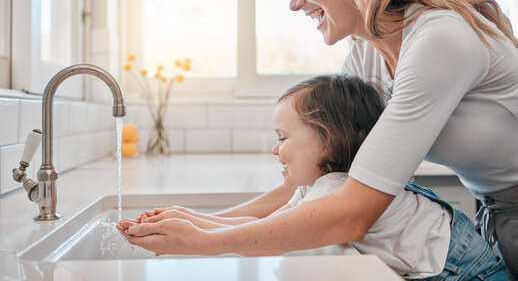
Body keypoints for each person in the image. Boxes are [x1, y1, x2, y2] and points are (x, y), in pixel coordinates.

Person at [118, 0, 518, 278]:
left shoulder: (439, 37)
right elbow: (328, 178)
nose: (294, 2)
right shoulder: (368, 52)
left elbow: (353, 213)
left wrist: (203, 241)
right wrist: (204, 221)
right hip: (494, 211)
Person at [119, 74, 507, 279]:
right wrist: (190, 219)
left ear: (329, 141)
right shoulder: (321, 186)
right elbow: (267, 223)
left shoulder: (336, 189)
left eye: (283, 138)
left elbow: (273, 240)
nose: (276, 149)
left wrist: (200, 240)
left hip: (470, 274)